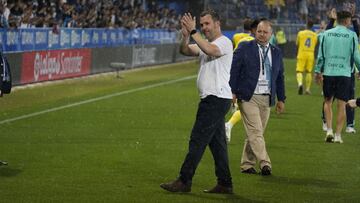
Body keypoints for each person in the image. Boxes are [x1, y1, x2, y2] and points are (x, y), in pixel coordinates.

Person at [160, 9, 234, 194]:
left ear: (218, 23)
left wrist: (194, 32)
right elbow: (185, 50)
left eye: (207, 24)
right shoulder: (206, 43)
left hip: (216, 98)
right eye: (201, 25)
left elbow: (210, 50)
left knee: (197, 140)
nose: (204, 28)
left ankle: (184, 180)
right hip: (214, 98)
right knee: (217, 145)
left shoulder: (224, 42)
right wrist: (185, 36)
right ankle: (225, 183)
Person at [229, 19, 286, 176]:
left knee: (255, 133)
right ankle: (265, 163)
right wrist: (232, 91)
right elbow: (234, 70)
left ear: (271, 34)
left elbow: (280, 77)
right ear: (255, 32)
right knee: (256, 132)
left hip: (266, 97)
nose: (261, 34)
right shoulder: (244, 47)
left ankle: (247, 164)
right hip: (248, 96)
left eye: (265, 32)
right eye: (259, 31)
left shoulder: (276, 52)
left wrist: (281, 99)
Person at [315, 10, 360, 144]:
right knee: (342, 105)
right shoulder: (352, 35)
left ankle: (329, 130)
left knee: (328, 102)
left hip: (329, 72)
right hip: (345, 73)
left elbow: (320, 55)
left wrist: (318, 71)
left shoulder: (325, 34)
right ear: (347, 21)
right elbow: (356, 56)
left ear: (337, 19)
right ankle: (338, 135)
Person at [296, 19, 318, 95]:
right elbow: (315, 44)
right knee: (308, 72)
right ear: (312, 26)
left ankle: (300, 84)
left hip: (302, 53)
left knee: (299, 71)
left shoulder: (300, 33)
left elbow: (297, 44)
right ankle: (307, 89)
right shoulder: (315, 35)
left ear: (306, 25)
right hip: (310, 54)